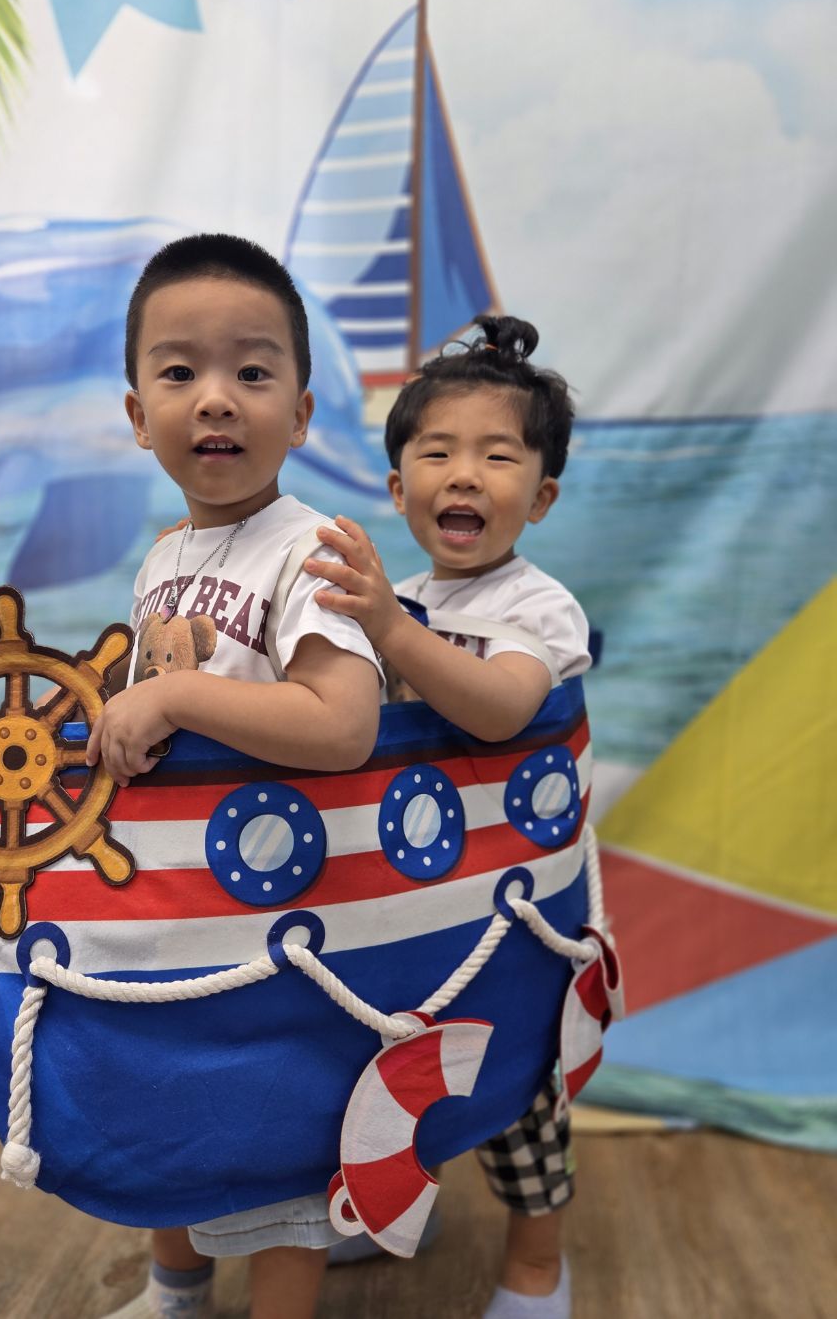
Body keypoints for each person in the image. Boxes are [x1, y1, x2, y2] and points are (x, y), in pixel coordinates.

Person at [88, 233, 382, 1319]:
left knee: (275, 1133)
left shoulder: (312, 554)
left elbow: (342, 724)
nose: (215, 398)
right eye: (180, 372)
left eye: (252, 372)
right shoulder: (164, 557)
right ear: (139, 416)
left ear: (300, 414)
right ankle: (176, 1287)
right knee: (161, 1101)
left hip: (283, 907)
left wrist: (172, 698)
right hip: (176, 903)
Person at [303, 314, 589, 1319]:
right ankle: (391, 1205)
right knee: (384, 1053)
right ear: (397, 489)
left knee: (517, 1086)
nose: (463, 475)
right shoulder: (406, 594)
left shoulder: (537, 607)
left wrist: (387, 625)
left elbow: (502, 708)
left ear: (540, 496)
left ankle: (536, 1262)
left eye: (497, 456)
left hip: (512, 902)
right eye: (436, 452)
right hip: (409, 894)